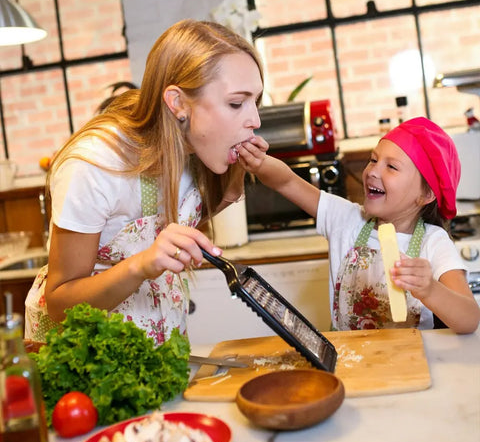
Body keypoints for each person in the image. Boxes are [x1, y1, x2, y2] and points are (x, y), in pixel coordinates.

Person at [24, 19, 268, 344]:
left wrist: (239, 168)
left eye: (256, 102)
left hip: (156, 340)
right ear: (178, 102)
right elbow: (59, 302)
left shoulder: (192, 148)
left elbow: (198, 212)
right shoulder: (96, 163)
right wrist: (142, 264)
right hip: (83, 349)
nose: (255, 120)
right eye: (237, 104)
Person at [238, 117, 480, 334]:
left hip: (411, 363)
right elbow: (287, 182)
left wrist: (429, 289)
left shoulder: (433, 242)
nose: (373, 171)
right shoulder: (345, 219)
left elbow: (469, 319)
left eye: (391, 166)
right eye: (373, 159)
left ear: (426, 194)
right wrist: (259, 163)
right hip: (351, 361)